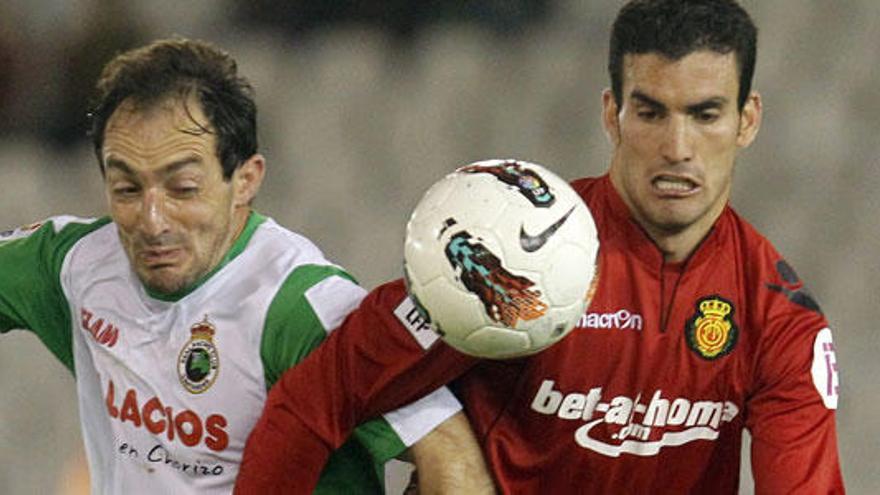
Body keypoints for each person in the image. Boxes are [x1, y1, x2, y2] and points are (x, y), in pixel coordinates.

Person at [235, 0, 845, 493]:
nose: (678, 147)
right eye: (651, 113)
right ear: (612, 115)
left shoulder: (777, 315)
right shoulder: (514, 251)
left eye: (706, 114)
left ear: (747, 120)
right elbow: (316, 400)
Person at [0, 37, 494, 494]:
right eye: (127, 188)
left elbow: (451, 457)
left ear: (245, 180)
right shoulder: (75, 267)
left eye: (183, 188)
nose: (152, 221)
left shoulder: (304, 309)